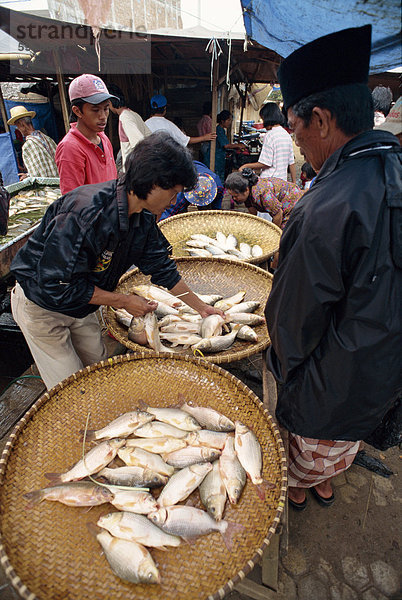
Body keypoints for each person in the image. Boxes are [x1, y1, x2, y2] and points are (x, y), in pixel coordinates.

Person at [265, 25, 401, 510]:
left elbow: (291, 324)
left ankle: (301, 488)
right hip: (383, 377)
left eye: (295, 126)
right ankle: (324, 483)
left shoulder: (323, 208)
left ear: (319, 120)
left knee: (306, 452)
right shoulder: (395, 167)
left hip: (328, 385)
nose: (296, 141)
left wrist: (281, 371)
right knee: (343, 448)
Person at [10, 132, 225, 391]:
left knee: (99, 367)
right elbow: (56, 284)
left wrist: (202, 308)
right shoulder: (85, 213)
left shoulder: (143, 217)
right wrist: (124, 301)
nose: (174, 200)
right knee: (69, 387)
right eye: (173, 192)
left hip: (84, 302)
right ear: (154, 184)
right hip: (43, 306)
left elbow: (162, 268)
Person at [55, 74, 118, 195]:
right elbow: (72, 201)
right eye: (95, 110)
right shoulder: (70, 147)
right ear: (77, 111)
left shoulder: (103, 138)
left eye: (106, 109)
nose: (103, 116)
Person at [225, 168, 303, 229]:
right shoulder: (247, 193)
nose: (234, 199)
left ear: (246, 190)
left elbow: (278, 214)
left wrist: (272, 233)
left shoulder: (262, 193)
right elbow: (253, 213)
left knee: (284, 233)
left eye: (236, 196)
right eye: (232, 196)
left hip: (292, 200)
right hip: (282, 206)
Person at [240, 102, 296, 183]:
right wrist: (294, 184)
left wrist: (246, 166)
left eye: (263, 119)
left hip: (269, 182)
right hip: (282, 183)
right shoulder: (286, 135)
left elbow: (266, 163)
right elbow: (291, 163)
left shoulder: (270, 135)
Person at [159, 160, 223, 221]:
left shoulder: (218, 186)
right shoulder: (183, 192)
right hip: (188, 168)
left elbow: (217, 208)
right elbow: (170, 211)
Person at [107, 83, 151, 172]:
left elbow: (139, 143)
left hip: (133, 171)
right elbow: (150, 136)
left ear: (110, 102)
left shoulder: (125, 117)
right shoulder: (134, 114)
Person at [7, 106, 58, 180]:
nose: (18, 129)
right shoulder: (48, 139)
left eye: (17, 126)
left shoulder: (28, 146)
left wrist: (27, 178)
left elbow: (37, 177)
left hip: (47, 189)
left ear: (22, 125)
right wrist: (28, 175)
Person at [145, 95, 216, 148]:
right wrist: (204, 138)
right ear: (165, 108)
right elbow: (186, 140)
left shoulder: (145, 124)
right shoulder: (168, 124)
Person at [204, 110, 247, 182]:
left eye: (230, 120)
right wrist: (238, 145)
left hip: (218, 159)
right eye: (228, 120)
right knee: (216, 180)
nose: (230, 122)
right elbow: (226, 145)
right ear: (222, 121)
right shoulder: (219, 130)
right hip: (215, 160)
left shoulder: (221, 130)